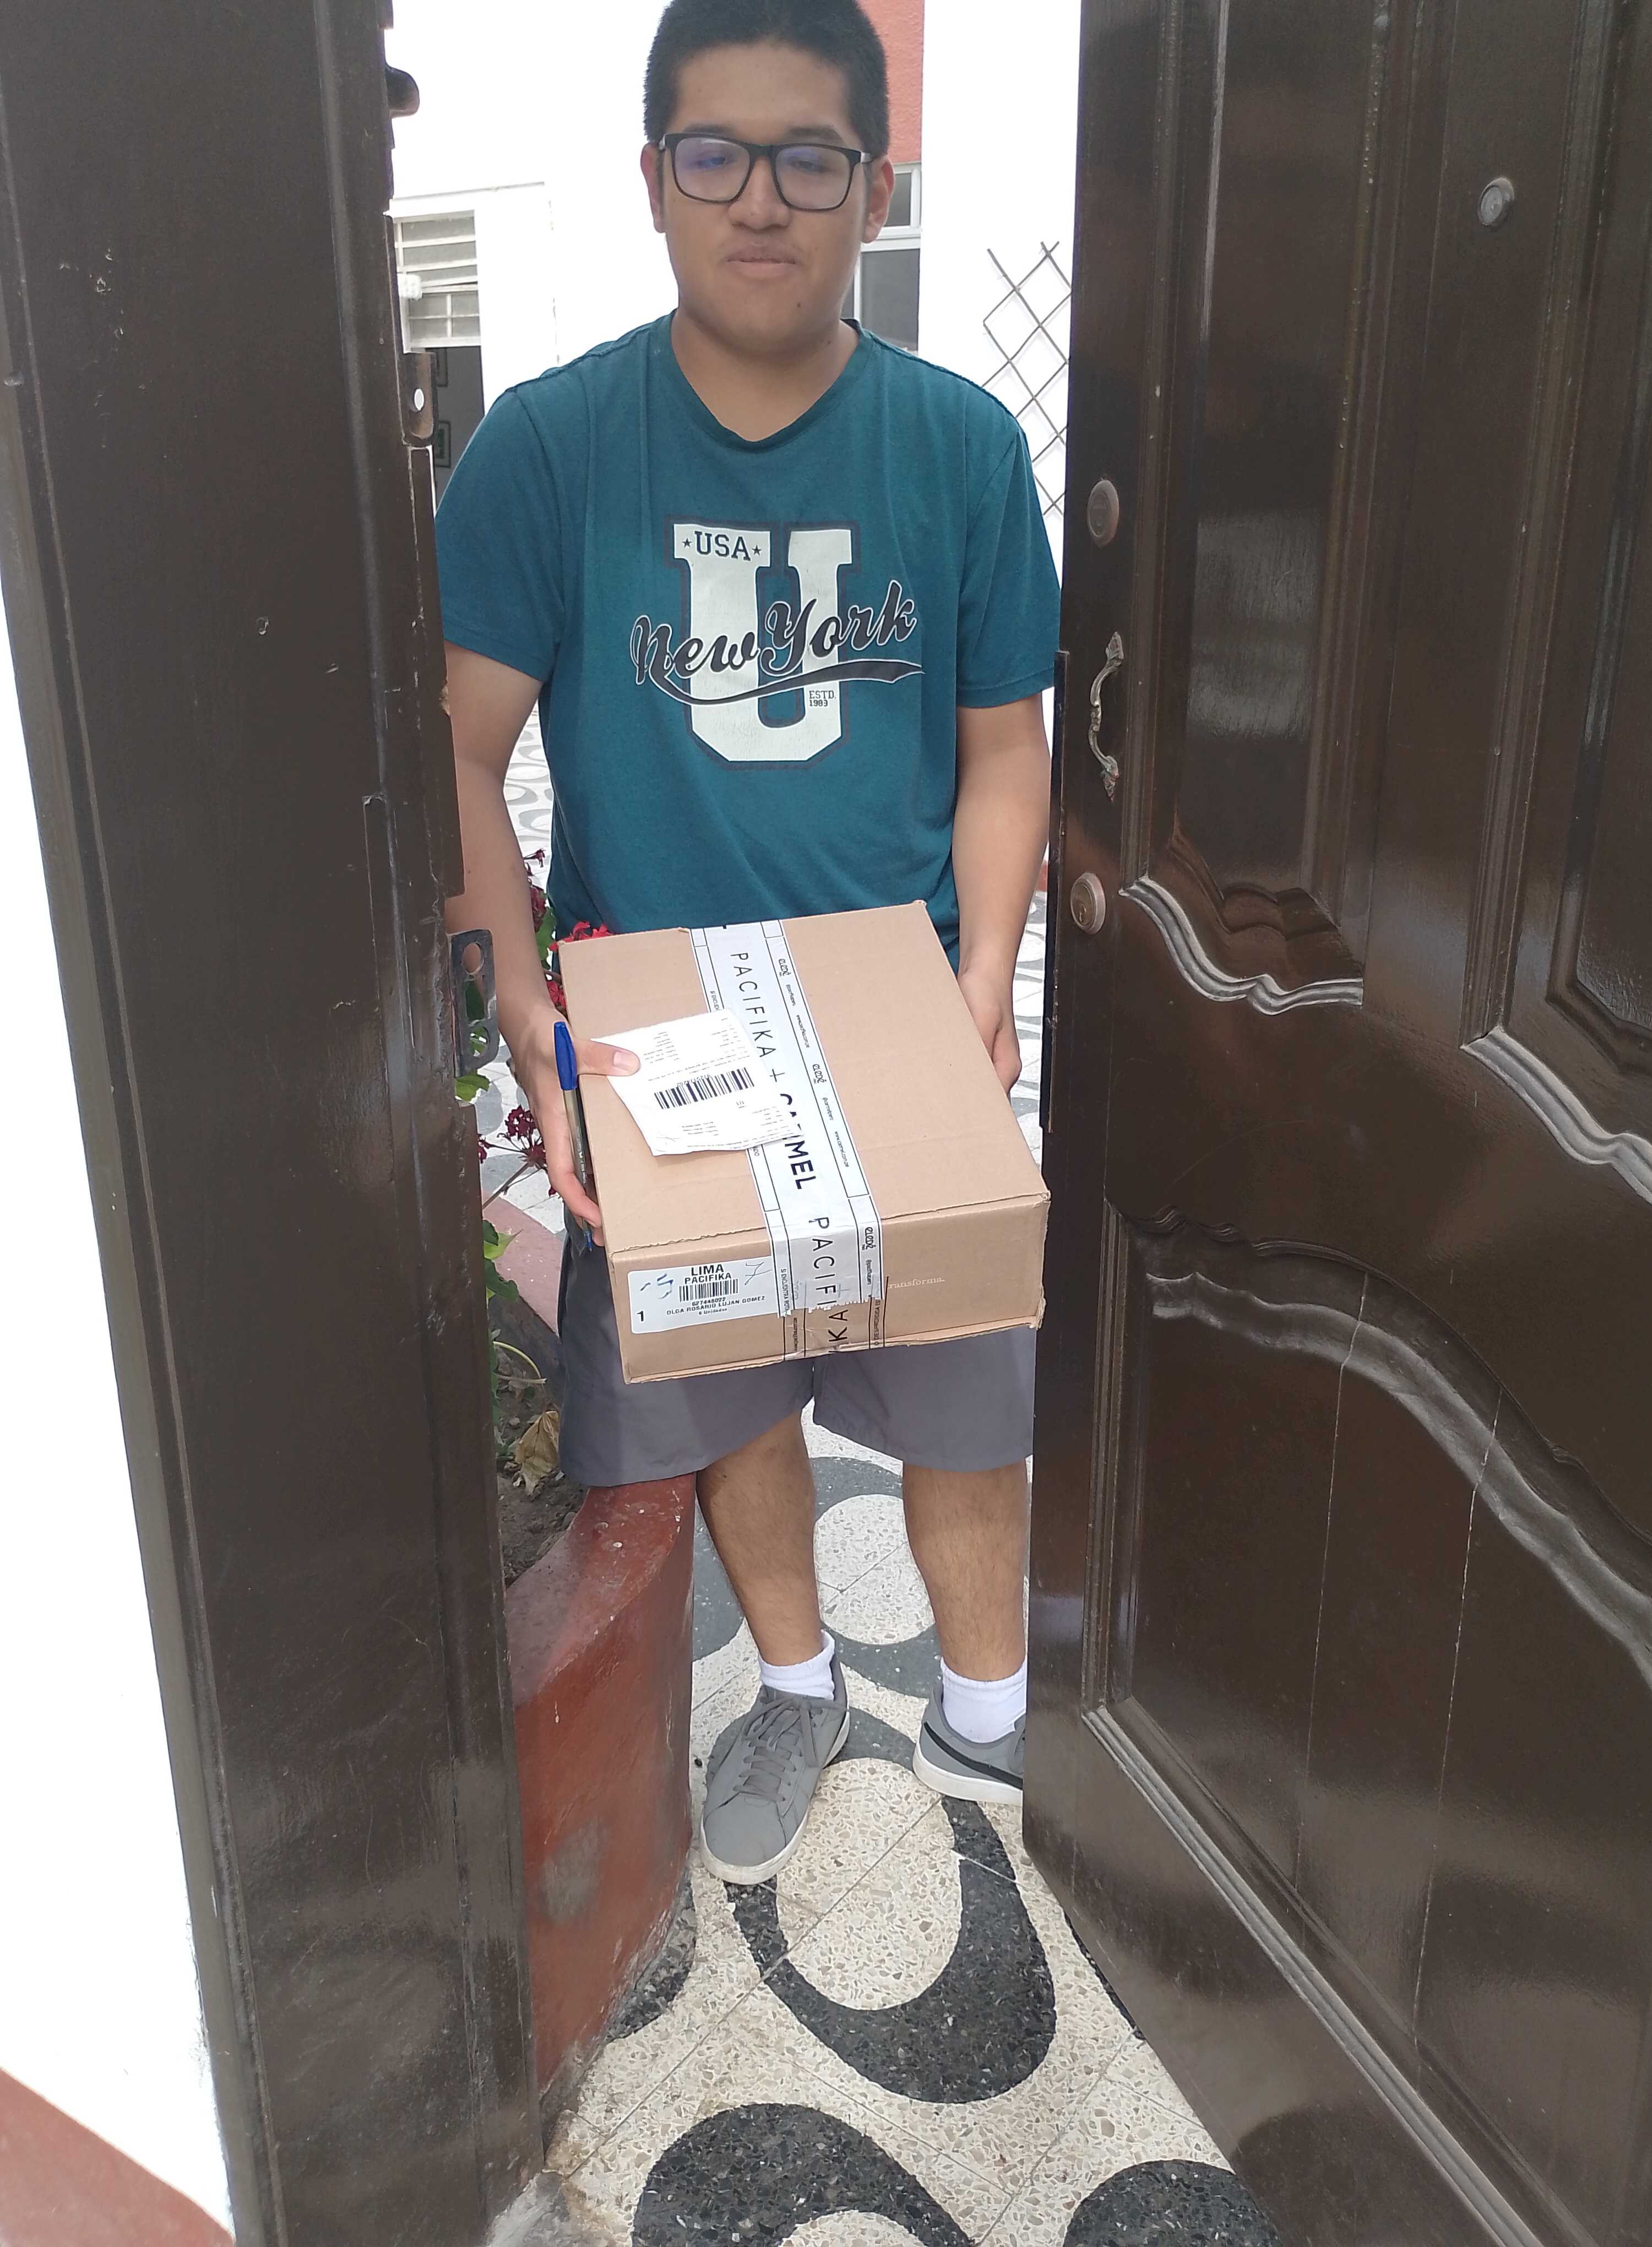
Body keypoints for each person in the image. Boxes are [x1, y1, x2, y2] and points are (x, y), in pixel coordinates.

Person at [436, 0, 1059, 1885]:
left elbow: (1005, 751)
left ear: (877, 185)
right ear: (654, 180)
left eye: (811, 157)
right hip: (662, 1036)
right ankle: (798, 1687)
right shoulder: (550, 450)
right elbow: (459, 750)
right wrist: (531, 1019)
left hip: (900, 1018)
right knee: (728, 1405)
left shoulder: (958, 448)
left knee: (968, 1408)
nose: (761, 198)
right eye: (714, 153)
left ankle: (994, 1714)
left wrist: (985, 980)